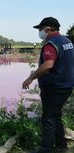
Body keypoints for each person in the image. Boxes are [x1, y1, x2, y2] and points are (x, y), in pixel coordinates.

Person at [22, 17, 74, 153]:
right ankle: (61, 145)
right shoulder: (67, 41)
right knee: (56, 115)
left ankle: (46, 150)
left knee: (48, 119)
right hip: (66, 86)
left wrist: (31, 77)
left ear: (48, 29)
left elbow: (48, 65)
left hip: (54, 88)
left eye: (40, 29)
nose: (39, 32)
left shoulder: (51, 43)